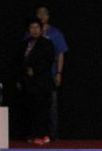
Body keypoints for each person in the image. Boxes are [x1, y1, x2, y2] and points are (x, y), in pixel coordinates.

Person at [34, 5, 68, 140]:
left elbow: (60, 53)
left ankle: (52, 135)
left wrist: (59, 72)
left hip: (50, 74)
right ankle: (37, 134)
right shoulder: (32, 31)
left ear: (48, 16)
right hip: (35, 77)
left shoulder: (55, 34)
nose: (41, 16)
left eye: (44, 14)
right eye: (39, 13)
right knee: (36, 105)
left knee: (51, 106)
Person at [20, 17, 54, 145]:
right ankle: (31, 134)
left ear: (41, 29)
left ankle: (42, 134)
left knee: (42, 109)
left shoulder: (47, 43)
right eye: (32, 28)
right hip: (29, 84)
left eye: (36, 28)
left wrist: (35, 70)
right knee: (29, 109)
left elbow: (48, 61)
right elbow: (19, 62)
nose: (34, 30)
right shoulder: (25, 44)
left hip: (42, 83)